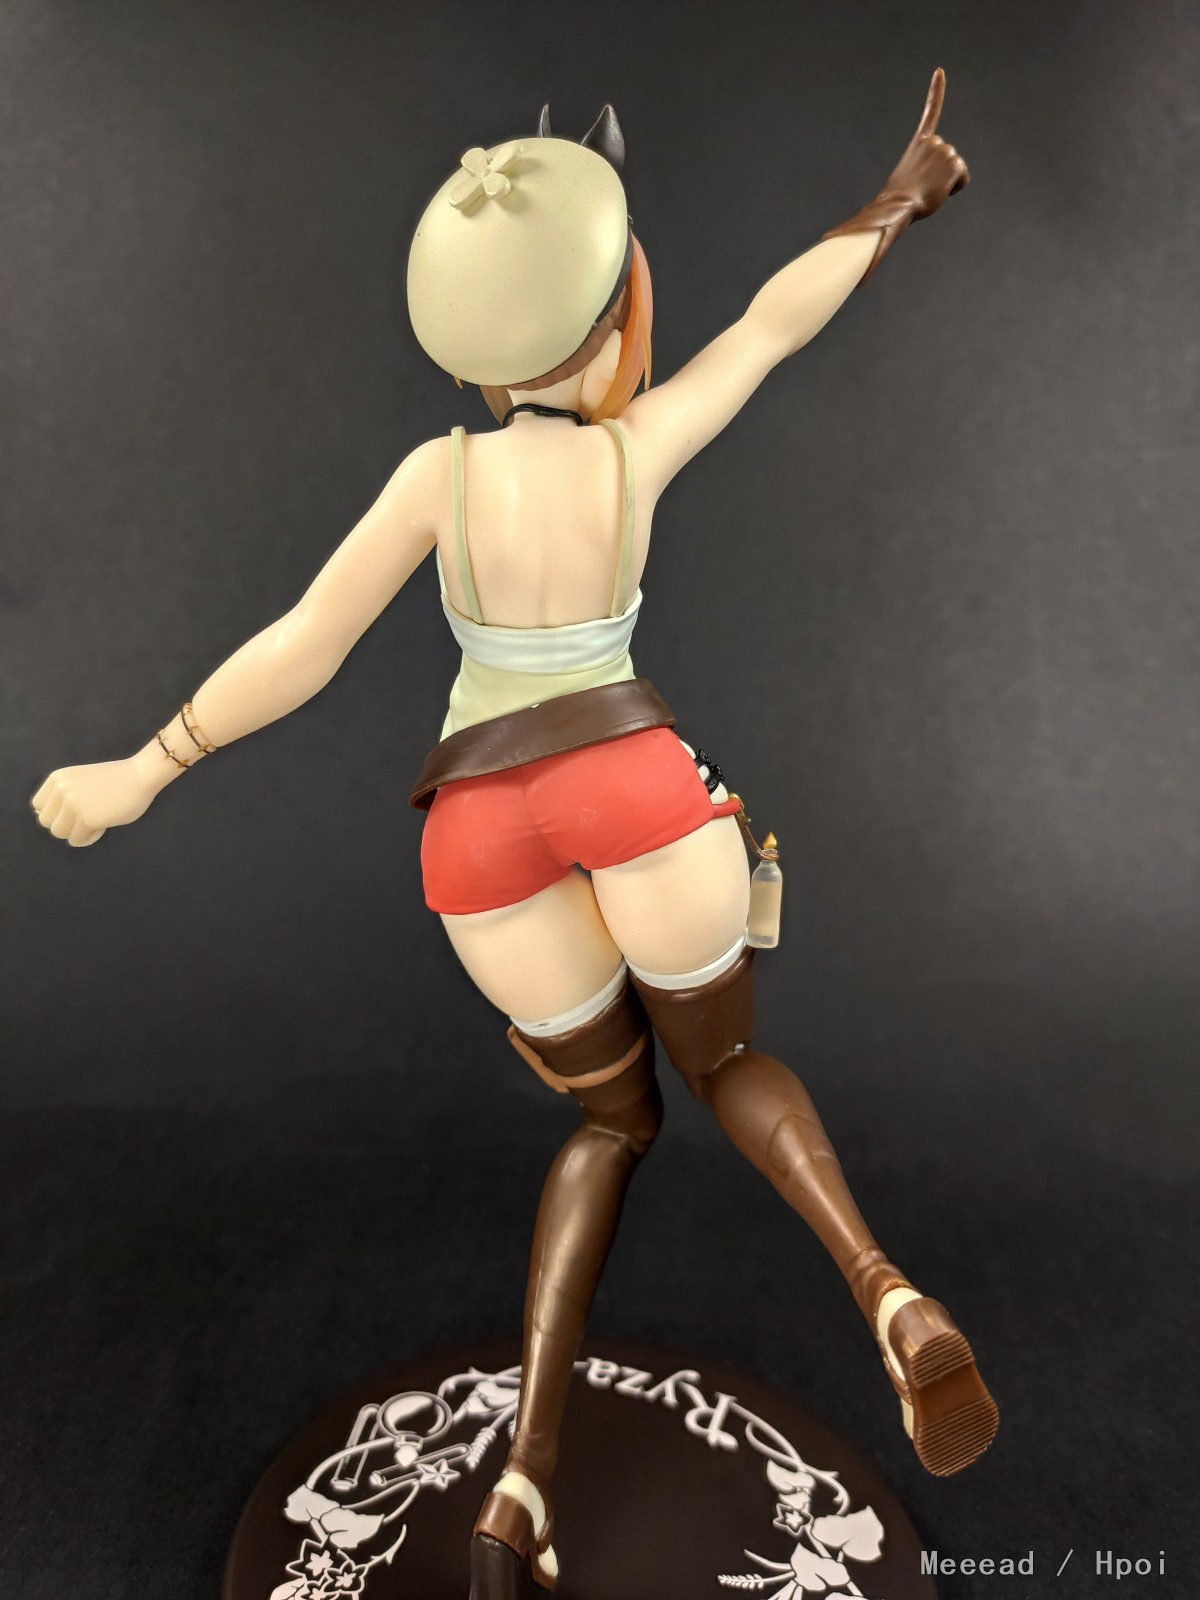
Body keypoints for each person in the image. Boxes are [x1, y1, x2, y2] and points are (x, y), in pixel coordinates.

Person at [33, 77, 995, 1600]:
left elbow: (303, 646)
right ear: (616, 319)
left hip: (479, 833)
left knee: (612, 1124)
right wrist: (897, 201)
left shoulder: (441, 474)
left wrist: (144, 768)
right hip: (634, 786)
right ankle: (886, 1292)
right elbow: (772, 323)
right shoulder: (634, 451)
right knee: (727, 1065)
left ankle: (524, 1482)